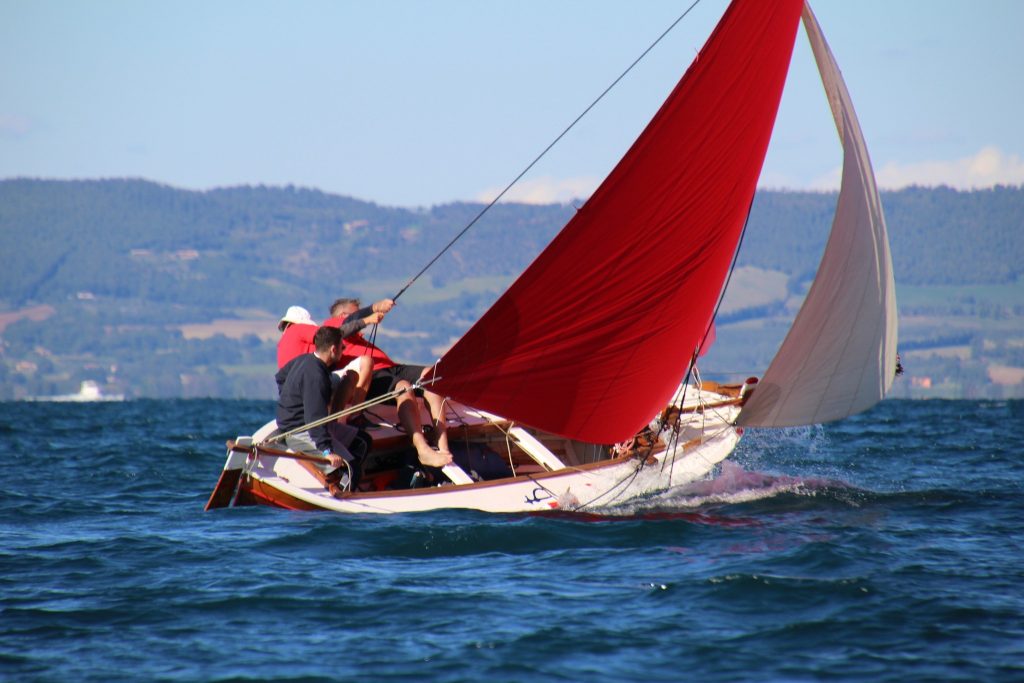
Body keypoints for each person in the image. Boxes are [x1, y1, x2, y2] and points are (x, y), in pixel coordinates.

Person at [324, 297, 452, 469]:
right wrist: (372, 311)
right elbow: (351, 321)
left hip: (392, 369)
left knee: (434, 375)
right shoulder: (332, 327)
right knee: (403, 387)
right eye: (356, 311)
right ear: (343, 314)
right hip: (373, 374)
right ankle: (422, 449)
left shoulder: (360, 339)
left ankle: (443, 445)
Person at [275, 325, 360, 495]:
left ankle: (338, 479)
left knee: (362, 441)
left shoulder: (304, 359)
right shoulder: (316, 376)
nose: (343, 351)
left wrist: (290, 399)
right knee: (352, 469)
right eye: (342, 347)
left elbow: (280, 377)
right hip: (299, 431)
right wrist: (327, 451)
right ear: (333, 349)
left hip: (308, 425)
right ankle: (343, 495)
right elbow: (315, 419)